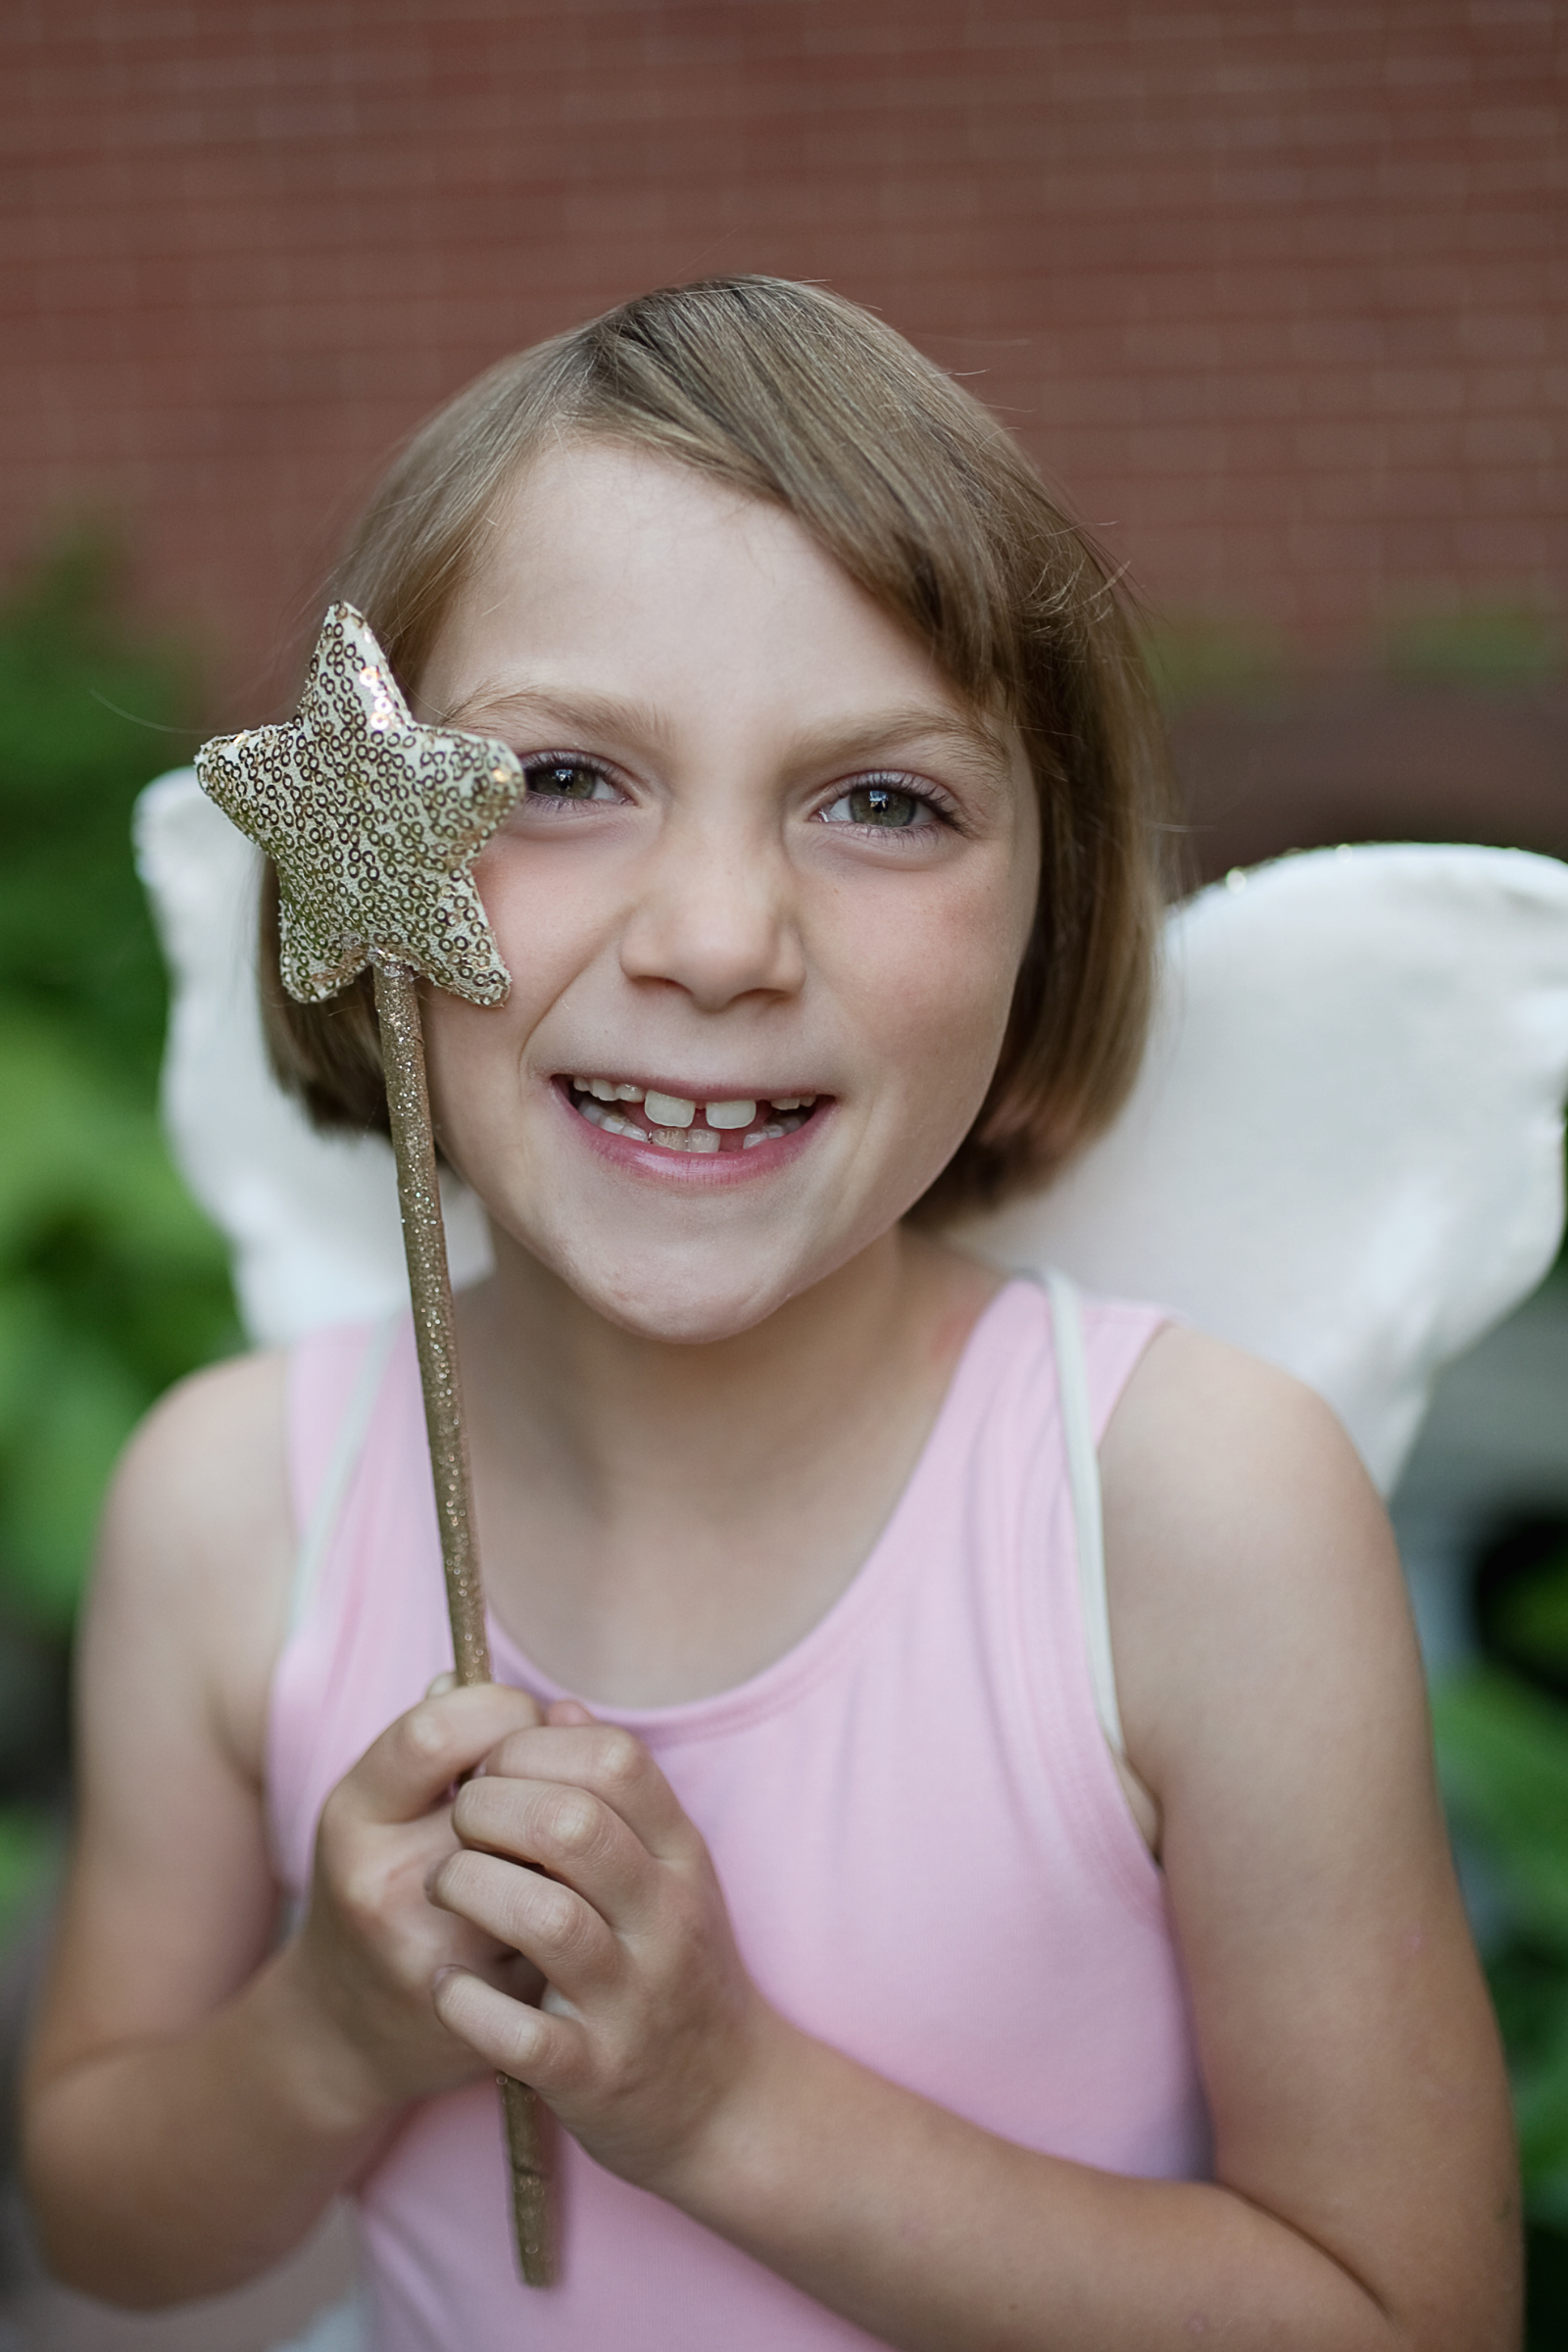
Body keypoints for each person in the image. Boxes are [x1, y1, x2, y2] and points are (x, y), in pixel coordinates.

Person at [22, 277, 1518, 2350]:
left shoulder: (1189, 1513)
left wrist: (719, 2101)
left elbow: (1402, 2315)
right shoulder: (234, 1507)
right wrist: (329, 2036)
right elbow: (103, 2220)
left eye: (880, 801)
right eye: (558, 779)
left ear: (1046, 914)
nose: (717, 938)